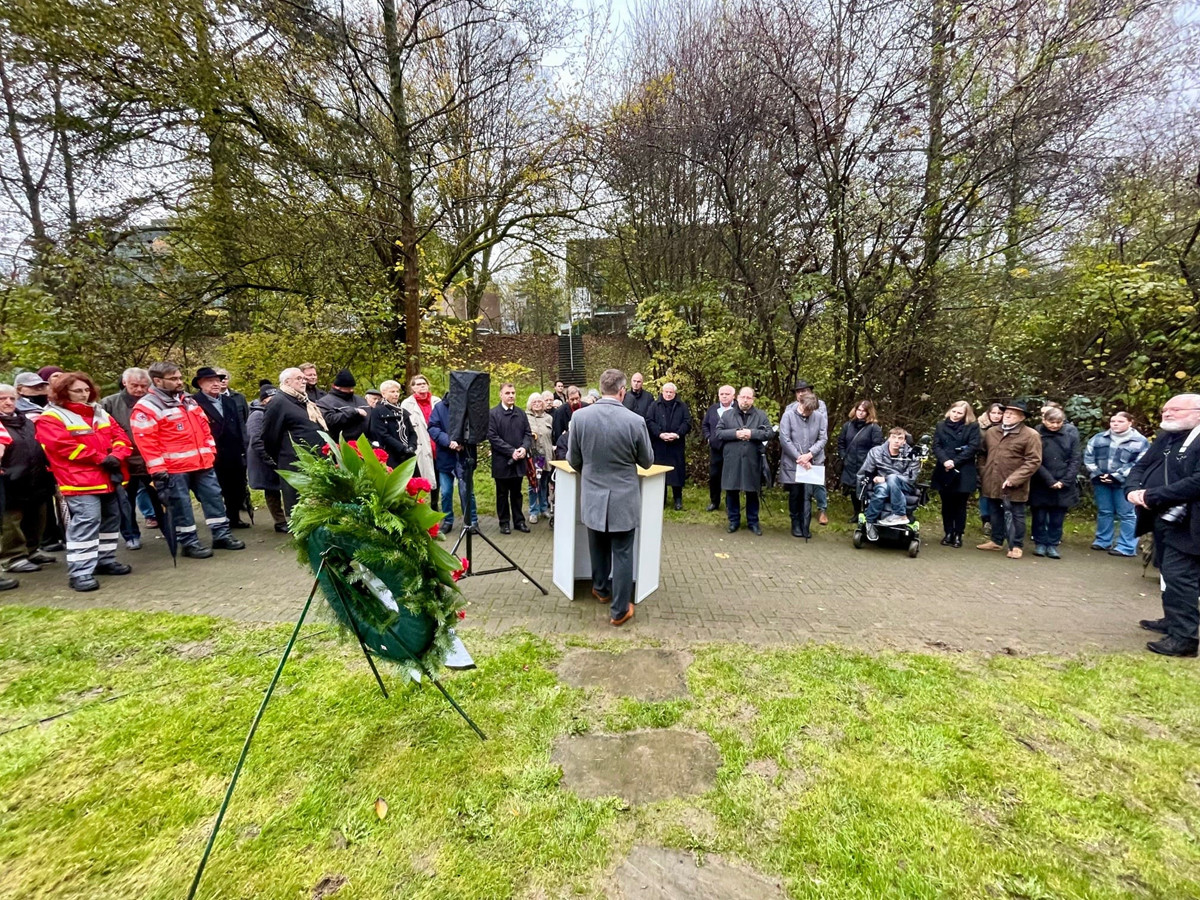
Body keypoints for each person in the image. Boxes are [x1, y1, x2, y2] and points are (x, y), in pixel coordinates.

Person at [132, 362, 247, 558]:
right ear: (158, 381)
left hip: (202, 463)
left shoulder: (188, 401)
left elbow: (204, 428)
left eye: (179, 377)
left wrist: (210, 451)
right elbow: (146, 440)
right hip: (173, 468)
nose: (180, 381)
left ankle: (221, 535)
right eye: (174, 379)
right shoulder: (147, 406)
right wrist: (158, 469)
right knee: (181, 505)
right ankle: (189, 542)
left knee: (214, 499)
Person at [567, 368, 653, 627]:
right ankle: (619, 611)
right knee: (623, 552)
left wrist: (592, 473)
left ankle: (601, 589)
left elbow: (573, 459)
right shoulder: (634, 421)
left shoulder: (580, 418)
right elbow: (647, 462)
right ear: (623, 391)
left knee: (598, 545)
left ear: (601, 388)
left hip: (593, 495)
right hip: (623, 498)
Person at [34, 372, 133, 592]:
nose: (84, 394)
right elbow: (61, 447)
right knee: (86, 523)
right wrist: (102, 458)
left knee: (110, 521)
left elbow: (121, 437)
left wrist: (117, 455)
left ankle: (105, 560)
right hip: (79, 481)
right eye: (77, 390)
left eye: (86, 390)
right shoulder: (52, 417)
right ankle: (80, 572)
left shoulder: (98, 412)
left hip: (107, 476)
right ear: (63, 393)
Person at [1125, 394, 1200, 657]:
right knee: (1168, 572)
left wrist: (1152, 496)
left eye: (1175, 409)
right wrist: (1133, 490)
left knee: (1180, 576)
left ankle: (1185, 639)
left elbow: (1197, 482)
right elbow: (1142, 465)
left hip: (1190, 523)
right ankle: (1173, 621)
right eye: (1165, 409)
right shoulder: (1167, 437)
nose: (1167, 414)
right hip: (1163, 517)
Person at [101, 367, 163, 549]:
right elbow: (103, 433)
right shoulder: (109, 404)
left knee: (162, 499)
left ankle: (169, 531)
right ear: (125, 383)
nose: (139, 390)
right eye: (135, 385)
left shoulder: (155, 402)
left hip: (151, 460)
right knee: (125, 503)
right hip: (123, 462)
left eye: (144, 386)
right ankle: (130, 535)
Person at [977, 401, 1042, 559]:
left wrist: (1015, 478)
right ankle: (996, 540)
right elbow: (982, 453)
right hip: (992, 480)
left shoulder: (1031, 435)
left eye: (1012, 414)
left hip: (1014, 483)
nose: (1007, 415)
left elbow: (1034, 460)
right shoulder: (992, 432)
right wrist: (984, 470)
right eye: (1006, 413)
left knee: (1016, 514)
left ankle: (1017, 545)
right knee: (995, 511)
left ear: (1022, 417)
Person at [0, 385, 54, 573]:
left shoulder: (27, 422)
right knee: (11, 524)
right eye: (2, 399)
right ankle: (13, 557)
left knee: (37, 518)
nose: (8, 402)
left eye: (11, 398)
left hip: (36, 479)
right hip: (10, 482)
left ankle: (32, 550)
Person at [259, 367, 326, 515]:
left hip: (314, 462)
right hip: (294, 463)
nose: (303, 381)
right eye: (298, 378)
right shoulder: (278, 402)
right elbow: (269, 436)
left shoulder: (303, 400)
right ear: (287, 382)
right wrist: (284, 455)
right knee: (299, 507)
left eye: (303, 378)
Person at [192, 366, 251, 529]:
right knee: (214, 489)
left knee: (237, 487)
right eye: (211, 381)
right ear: (200, 384)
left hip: (233, 452)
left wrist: (243, 448)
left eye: (217, 380)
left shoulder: (229, 401)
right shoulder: (194, 403)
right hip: (211, 453)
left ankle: (233, 517)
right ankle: (219, 520)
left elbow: (240, 426)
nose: (216, 384)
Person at [1084, 411, 1149, 557]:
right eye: (1113, 421)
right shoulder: (1099, 438)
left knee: (1127, 514)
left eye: (1120, 421)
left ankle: (1126, 547)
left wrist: (1116, 476)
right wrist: (1098, 474)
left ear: (1130, 422)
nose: (1115, 424)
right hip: (1101, 481)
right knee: (1104, 512)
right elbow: (1088, 456)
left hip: (1125, 484)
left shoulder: (1140, 441)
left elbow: (1140, 463)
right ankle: (1102, 541)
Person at [716, 387, 772, 534]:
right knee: (732, 490)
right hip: (732, 459)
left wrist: (751, 434)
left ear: (753, 399)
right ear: (737, 398)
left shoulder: (760, 415)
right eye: (743, 397)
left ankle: (753, 522)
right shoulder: (727, 415)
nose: (745, 400)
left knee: (752, 491)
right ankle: (733, 521)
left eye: (748, 398)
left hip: (752, 459)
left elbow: (769, 433)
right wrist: (736, 434)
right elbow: (719, 432)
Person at [1029, 406, 1081, 559]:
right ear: (1044, 420)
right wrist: (1049, 480)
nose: (1055, 425)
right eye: (1051, 422)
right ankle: (1039, 543)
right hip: (1041, 480)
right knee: (1039, 516)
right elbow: (1034, 459)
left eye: (1059, 422)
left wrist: (1064, 481)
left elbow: (1075, 458)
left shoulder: (1070, 435)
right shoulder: (1036, 434)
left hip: (1064, 482)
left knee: (1057, 518)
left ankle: (1052, 544)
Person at [858, 427, 921, 541]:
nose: (896, 441)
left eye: (900, 438)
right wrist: (874, 479)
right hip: (882, 484)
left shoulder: (913, 454)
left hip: (904, 485)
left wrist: (886, 478)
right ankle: (870, 522)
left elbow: (910, 478)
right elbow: (867, 472)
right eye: (894, 437)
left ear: (904, 441)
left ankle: (900, 514)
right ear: (889, 438)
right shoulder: (876, 451)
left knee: (891, 479)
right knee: (882, 489)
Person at [931, 401, 981, 548]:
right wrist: (945, 460)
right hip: (944, 468)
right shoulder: (941, 425)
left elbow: (973, 447)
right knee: (946, 503)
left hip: (963, 469)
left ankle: (958, 534)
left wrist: (955, 461)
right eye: (954, 412)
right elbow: (936, 445)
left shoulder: (972, 427)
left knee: (960, 504)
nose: (956, 415)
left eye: (960, 413)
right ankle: (948, 532)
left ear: (965, 415)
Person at [779, 393, 826, 539]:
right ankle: (795, 523)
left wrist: (810, 454)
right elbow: (784, 438)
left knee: (808, 494)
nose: (807, 413)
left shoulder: (818, 417)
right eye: (805, 409)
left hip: (811, 461)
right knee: (795, 493)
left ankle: (805, 523)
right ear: (800, 403)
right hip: (794, 461)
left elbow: (823, 438)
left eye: (810, 411)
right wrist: (799, 457)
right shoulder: (788, 416)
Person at [487, 382, 532, 534]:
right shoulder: (493, 414)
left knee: (517, 493)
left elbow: (528, 433)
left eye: (513, 393)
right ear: (500, 395)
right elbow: (493, 437)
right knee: (502, 494)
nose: (511, 395)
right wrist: (511, 451)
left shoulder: (520, 413)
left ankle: (519, 521)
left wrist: (524, 448)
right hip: (502, 462)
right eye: (507, 393)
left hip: (519, 460)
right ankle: (504, 522)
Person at [428, 397, 477, 532]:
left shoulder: (470, 405)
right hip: (445, 456)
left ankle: (471, 520)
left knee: (467, 491)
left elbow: (477, 428)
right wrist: (449, 441)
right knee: (446, 492)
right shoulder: (439, 407)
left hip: (465, 455)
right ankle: (448, 521)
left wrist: (462, 442)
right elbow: (433, 428)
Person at [246, 385, 288, 532]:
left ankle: (289, 519)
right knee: (272, 491)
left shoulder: (276, 412)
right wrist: (269, 459)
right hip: (263, 460)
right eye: (271, 399)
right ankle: (280, 521)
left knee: (284, 488)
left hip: (277, 456)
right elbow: (256, 440)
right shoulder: (257, 415)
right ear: (264, 400)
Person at [647, 382, 692, 510]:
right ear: (662, 392)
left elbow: (687, 422)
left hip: (676, 445)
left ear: (675, 393)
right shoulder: (654, 405)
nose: (668, 394)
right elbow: (649, 421)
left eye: (670, 392)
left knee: (676, 473)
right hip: (659, 445)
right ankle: (661, 499)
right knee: (660, 473)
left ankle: (678, 499)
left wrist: (677, 434)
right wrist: (660, 434)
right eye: (666, 392)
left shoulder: (682, 406)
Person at [790, 381, 830, 524]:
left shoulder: (820, 406)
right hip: (798, 454)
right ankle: (801, 512)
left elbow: (822, 430)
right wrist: (799, 455)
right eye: (798, 391)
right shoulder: (790, 408)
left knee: (818, 481)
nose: (801, 393)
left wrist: (810, 453)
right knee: (798, 485)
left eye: (804, 391)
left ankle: (822, 509)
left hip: (815, 452)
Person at [837, 400, 884, 521]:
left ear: (869, 412)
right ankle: (857, 512)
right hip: (850, 462)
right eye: (859, 410)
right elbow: (841, 443)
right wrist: (843, 456)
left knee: (866, 488)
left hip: (866, 464)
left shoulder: (874, 428)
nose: (861, 413)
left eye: (864, 411)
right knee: (853, 489)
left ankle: (868, 513)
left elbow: (877, 447)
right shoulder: (848, 425)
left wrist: (871, 463)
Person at [401, 373, 440, 510]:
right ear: (412, 388)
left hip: (438, 444)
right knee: (422, 477)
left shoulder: (437, 401)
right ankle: (420, 506)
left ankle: (435, 505)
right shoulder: (407, 404)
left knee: (438, 475)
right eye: (418, 384)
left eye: (424, 383)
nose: (422, 386)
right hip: (421, 445)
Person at [700, 385, 736, 512]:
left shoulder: (737, 410)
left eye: (727, 394)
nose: (724, 396)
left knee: (731, 477)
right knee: (715, 476)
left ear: (733, 396)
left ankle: (730, 504)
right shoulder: (712, 409)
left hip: (732, 449)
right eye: (722, 394)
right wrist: (709, 438)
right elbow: (705, 425)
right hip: (715, 449)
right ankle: (714, 502)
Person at [367, 380, 416, 467]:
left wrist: (412, 446)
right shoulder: (377, 411)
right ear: (383, 394)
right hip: (390, 456)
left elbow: (412, 432)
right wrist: (402, 448)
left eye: (397, 391)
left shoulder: (402, 411)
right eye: (392, 392)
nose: (396, 394)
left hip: (408, 455)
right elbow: (382, 434)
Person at [317, 369, 371, 442]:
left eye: (352, 387)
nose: (351, 390)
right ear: (337, 387)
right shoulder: (325, 403)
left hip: (367, 443)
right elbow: (329, 420)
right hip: (342, 444)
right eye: (348, 388)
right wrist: (354, 412)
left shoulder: (360, 400)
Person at [976, 402, 1005, 534]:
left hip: (1003, 465)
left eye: (999, 413)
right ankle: (986, 520)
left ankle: (999, 522)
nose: (996, 416)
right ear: (988, 413)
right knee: (984, 492)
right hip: (985, 462)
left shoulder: (1008, 427)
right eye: (993, 413)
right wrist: (982, 468)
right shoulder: (980, 427)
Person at [526, 392, 553, 524]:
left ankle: (544, 508)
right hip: (534, 456)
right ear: (530, 404)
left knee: (544, 484)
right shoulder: (526, 418)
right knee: (533, 485)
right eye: (534, 402)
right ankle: (533, 511)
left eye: (539, 401)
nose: (537, 404)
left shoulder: (548, 418)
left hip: (547, 456)